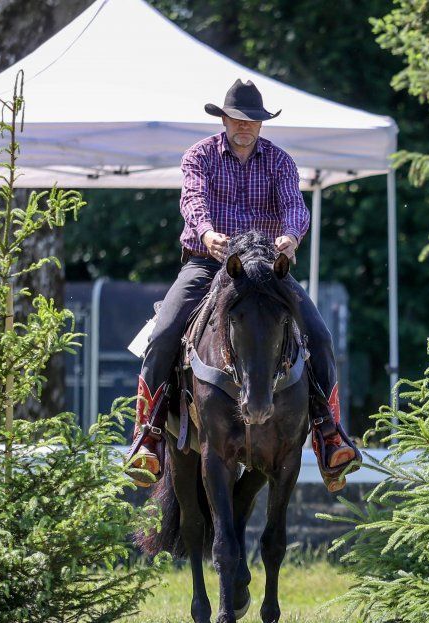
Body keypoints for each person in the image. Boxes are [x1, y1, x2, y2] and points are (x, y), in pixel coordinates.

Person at [126, 79, 362, 491]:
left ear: (261, 124)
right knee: (162, 334)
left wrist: (291, 236)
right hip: (208, 261)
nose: (245, 126)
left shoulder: (279, 161)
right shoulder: (198, 156)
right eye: (238, 118)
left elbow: (294, 205)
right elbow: (192, 200)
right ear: (224, 118)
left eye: (253, 120)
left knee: (320, 336)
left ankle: (328, 432)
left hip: (268, 269)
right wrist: (205, 233)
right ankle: (148, 434)